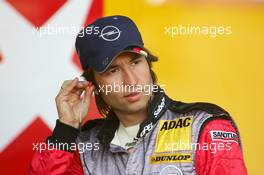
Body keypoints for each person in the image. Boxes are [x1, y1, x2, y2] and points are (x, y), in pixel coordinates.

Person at [29, 15, 247, 175]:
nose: (131, 81)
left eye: (135, 62)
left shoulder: (204, 127)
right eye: (112, 70)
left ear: (149, 64)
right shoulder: (85, 146)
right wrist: (66, 129)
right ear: (92, 84)